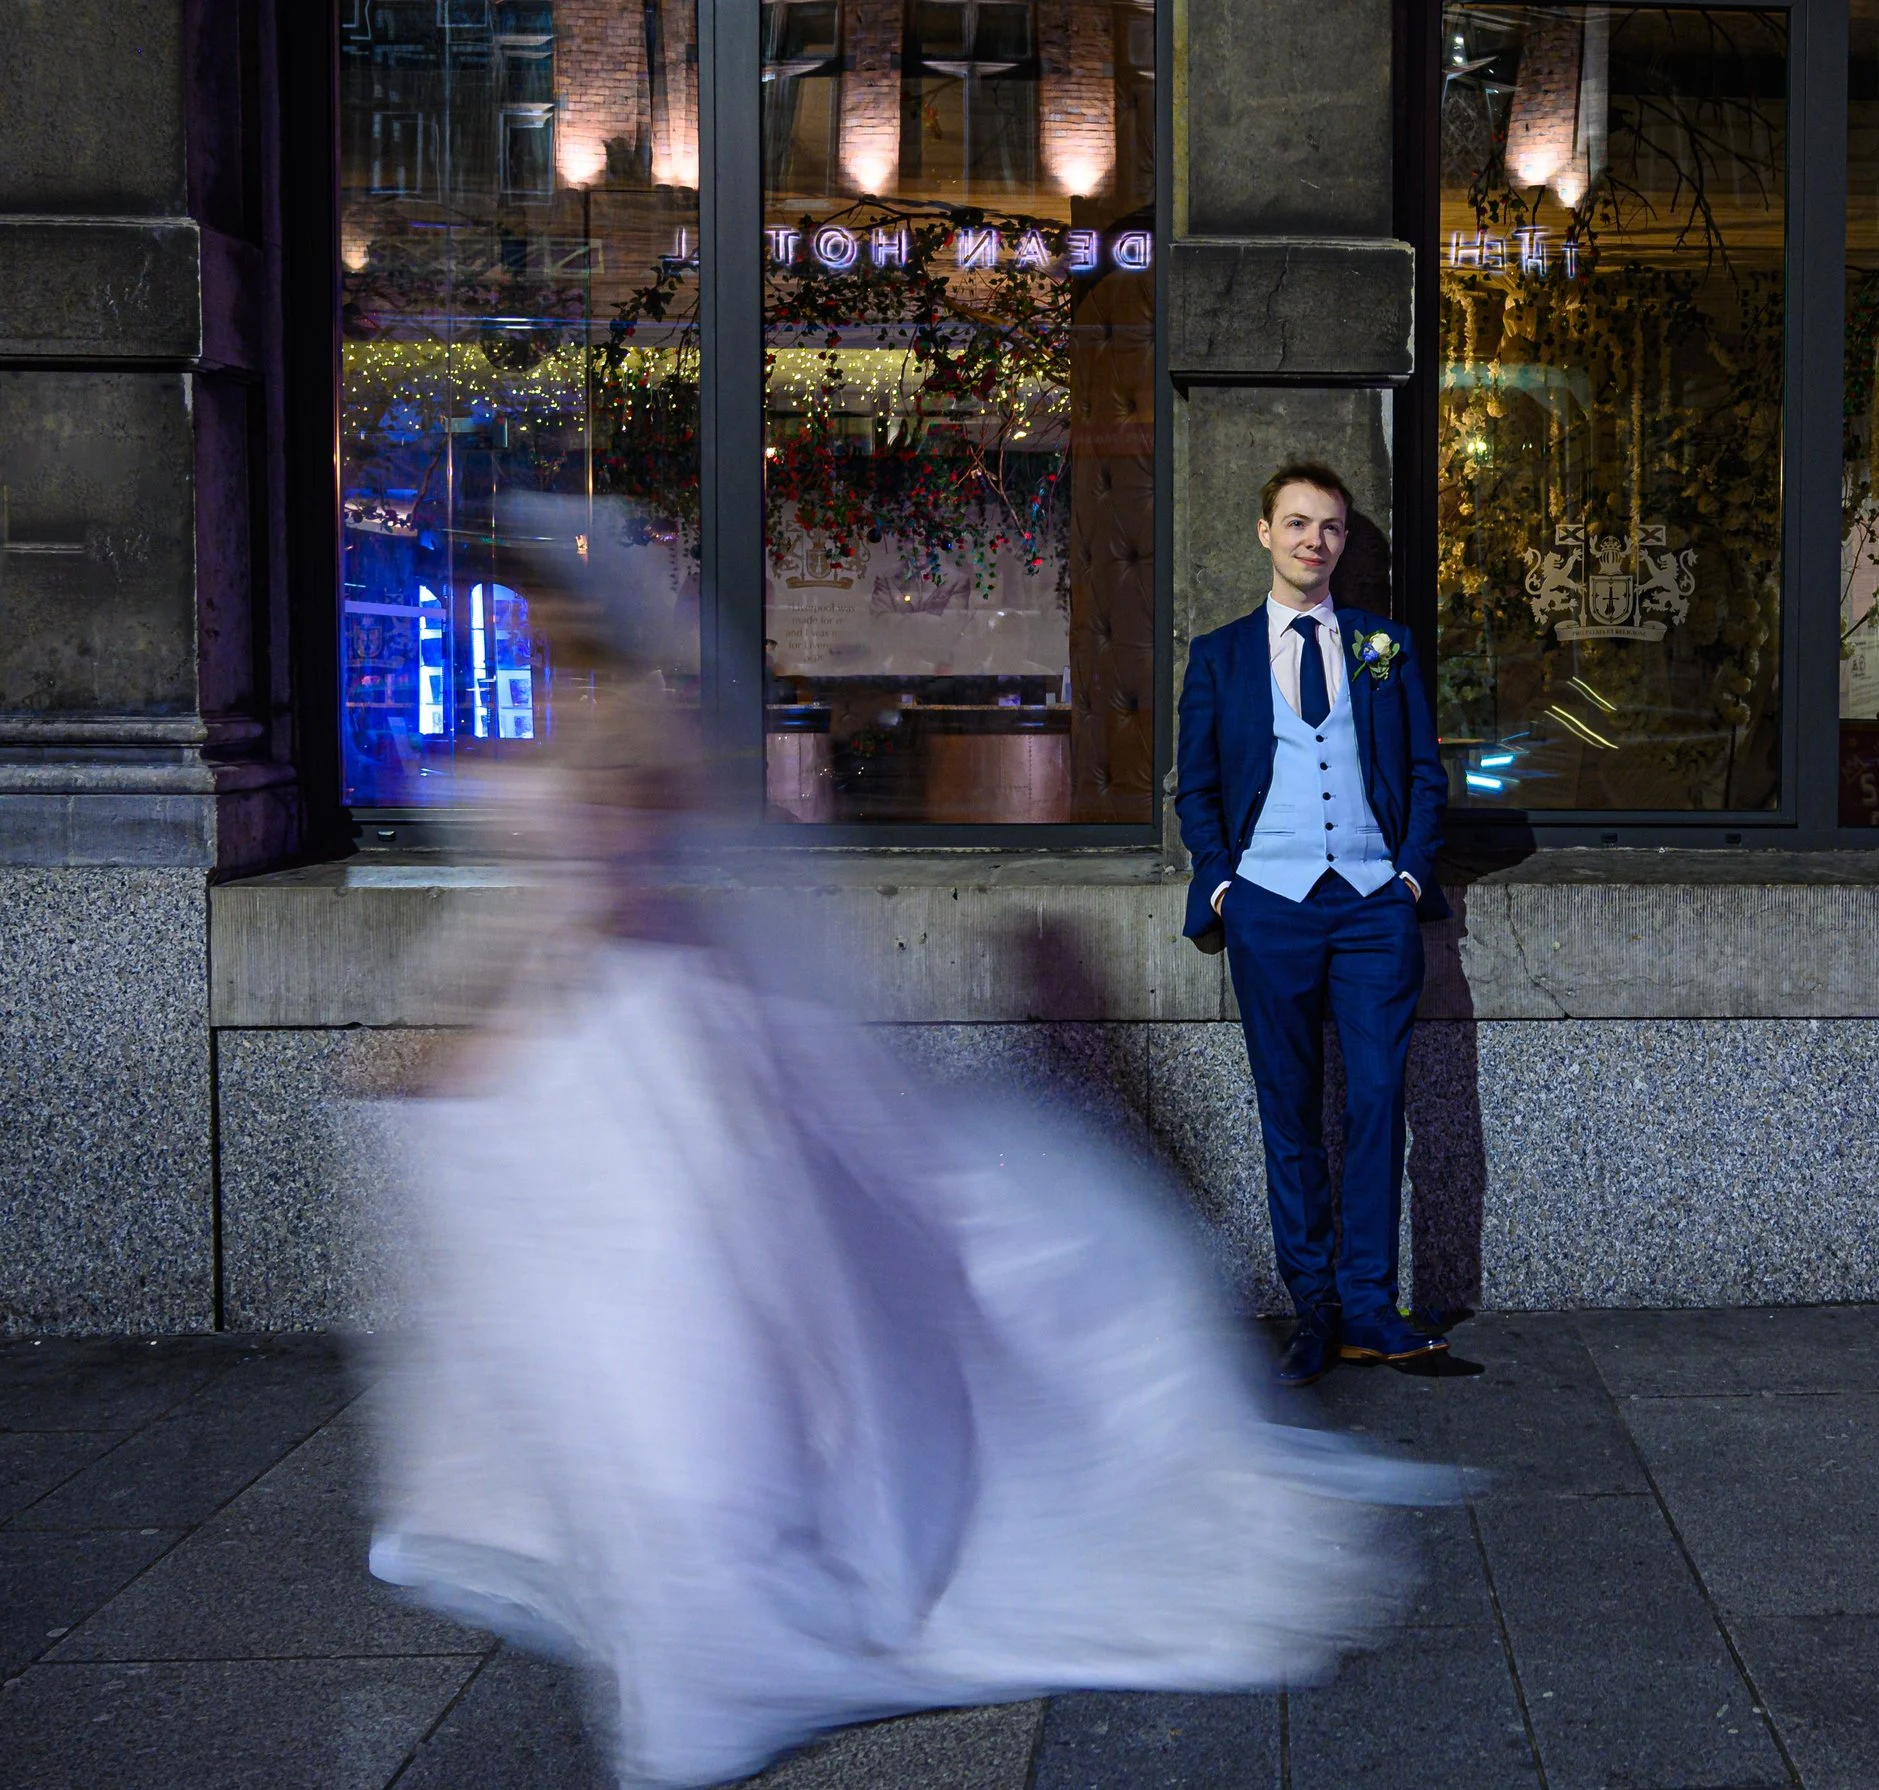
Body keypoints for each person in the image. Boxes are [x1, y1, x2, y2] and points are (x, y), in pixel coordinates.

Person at [362, 516, 1455, 1790]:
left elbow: (583, 905)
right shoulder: (570, 726)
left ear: (570, 620)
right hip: (615, 1060)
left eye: (535, 618)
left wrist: (467, 1030)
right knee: (640, 1329)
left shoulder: (618, 731)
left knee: (698, 1322)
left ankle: (748, 1568)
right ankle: (666, 1539)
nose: (524, 639)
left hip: (640, 1052)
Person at [1175, 463, 1452, 1388]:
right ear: (1265, 533)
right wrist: (1224, 888)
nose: (1313, 542)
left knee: (1377, 1104)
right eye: (1297, 525)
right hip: (1270, 906)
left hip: (1374, 906)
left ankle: (1372, 1307)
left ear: (1343, 542)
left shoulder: (1386, 646)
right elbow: (1200, 788)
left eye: (1330, 528)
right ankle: (1314, 1309)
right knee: (1288, 1113)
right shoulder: (1218, 656)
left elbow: (1423, 773)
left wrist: (1409, 874)